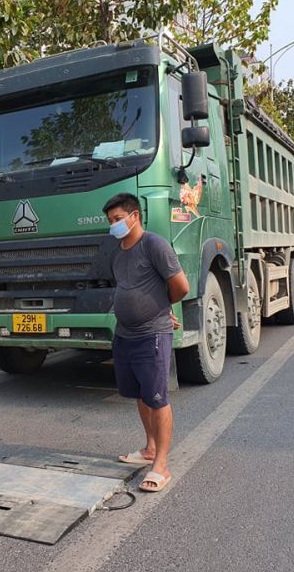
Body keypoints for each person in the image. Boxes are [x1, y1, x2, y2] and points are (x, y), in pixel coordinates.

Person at [102, 193, 189, 493]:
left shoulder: (154, 244)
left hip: (152, 333)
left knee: (157, 397)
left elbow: (180, 286)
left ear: (135, 216)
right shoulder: (118, 252)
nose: (113, 225)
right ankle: (150, 447)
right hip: (124, 334)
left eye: (118, 219)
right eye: (110, 221)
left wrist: (160, 308)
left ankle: (161, 465)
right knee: (138, 392)